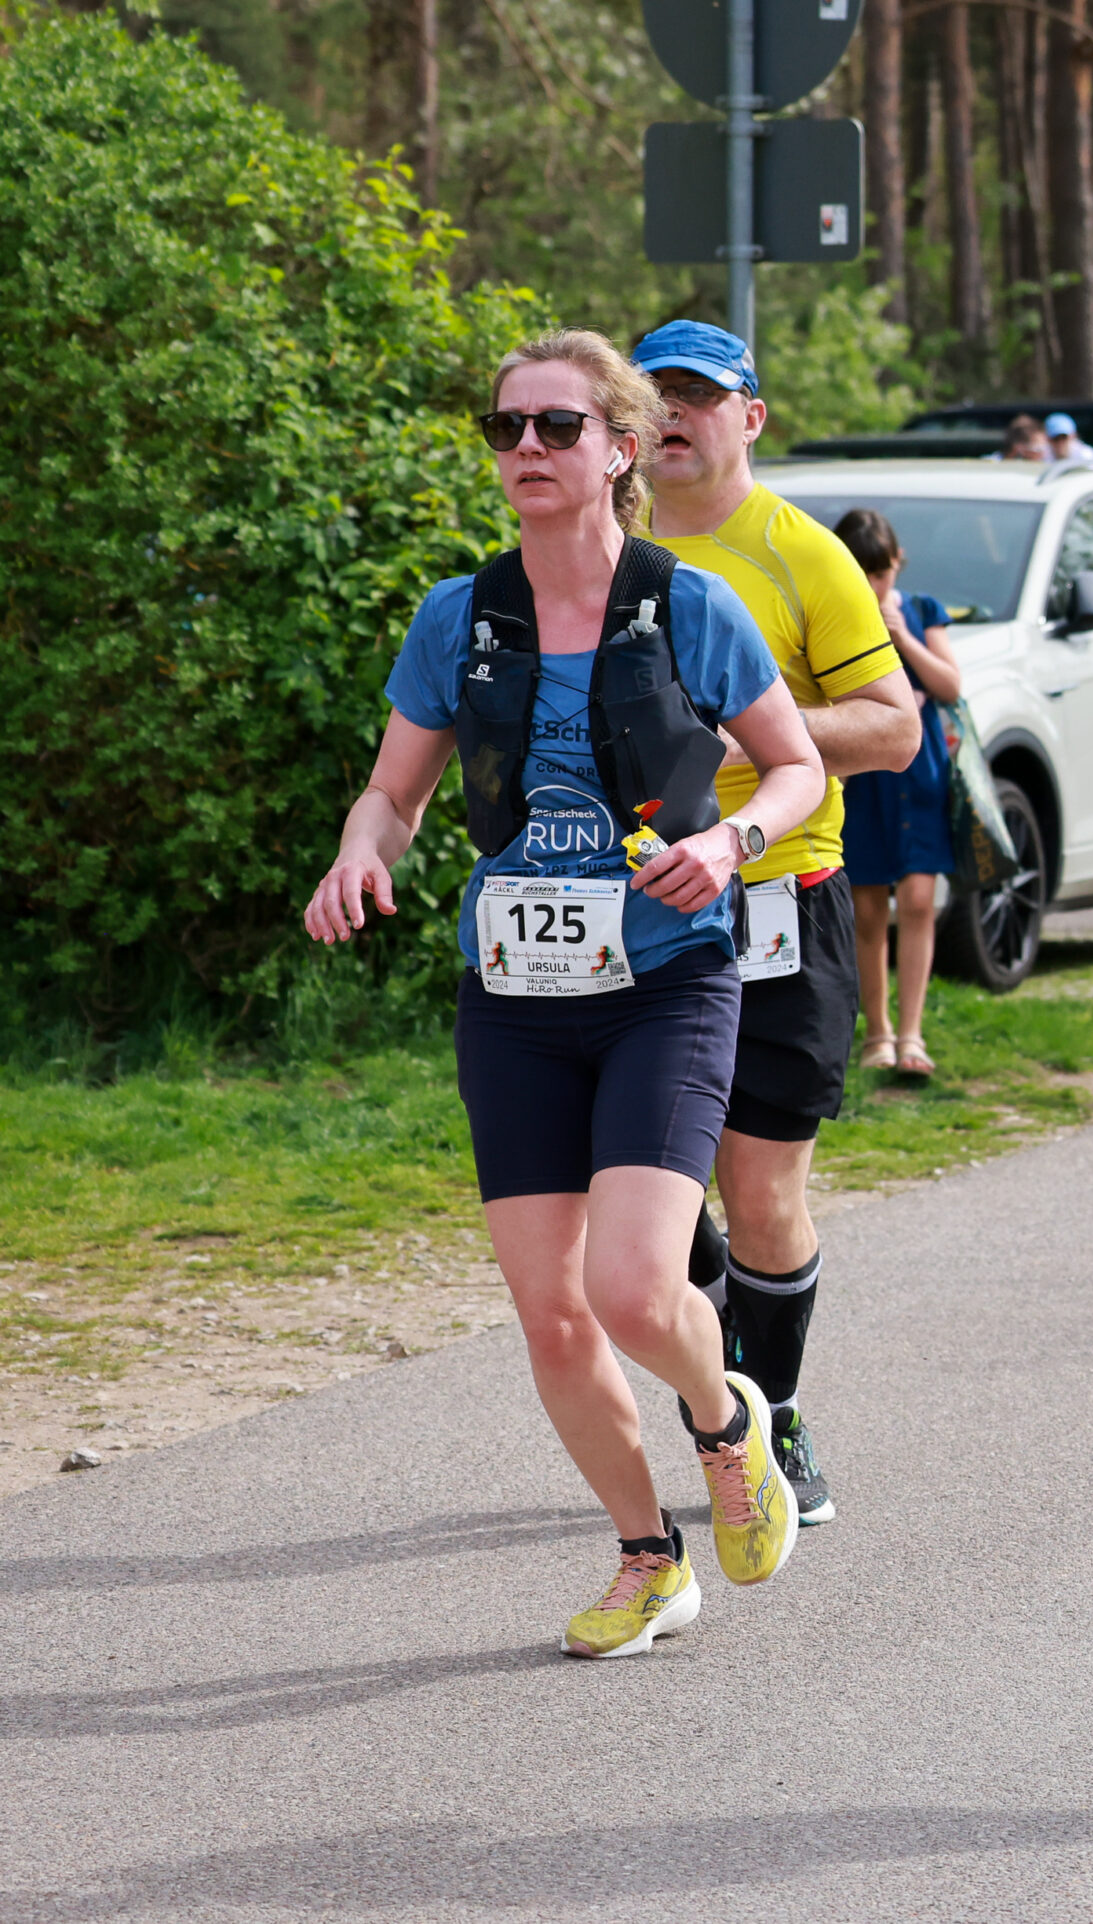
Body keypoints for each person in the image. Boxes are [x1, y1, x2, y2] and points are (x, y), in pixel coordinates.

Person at [304, 328, 827, 1656]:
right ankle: (649, 1559)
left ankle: (729, 1422)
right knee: (551, 1312)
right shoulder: (460, 617)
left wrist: (731, 844)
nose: (525, 448)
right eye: (506, 428)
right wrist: (361, 852)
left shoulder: (689, 606)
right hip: (515, 994)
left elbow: (797, 769)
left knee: (638, 1288)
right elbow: (396, 793)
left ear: (622, 448)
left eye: (555, 426)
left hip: (666, 983)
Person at [636, 319, 921, 1532]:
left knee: (759, 1194)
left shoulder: (802, 553)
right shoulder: (598, 548)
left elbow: (894, 726)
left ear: (749, 416)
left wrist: (745, 739)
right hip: (627, 901)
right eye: (652, 395)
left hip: (776, 897)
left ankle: (772, 1413)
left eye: (698, 396)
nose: (673, 415)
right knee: (639, 1193)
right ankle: (729, 1366)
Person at [833, 507, 965, 1078]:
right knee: (867, 909)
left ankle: (911, 1032)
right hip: (864, 778)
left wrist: (902, 636)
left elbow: (950, 685)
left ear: (898, 564)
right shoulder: (834, 615)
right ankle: (877, 1033)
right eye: (859, 573)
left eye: (881, 574)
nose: (872, 587)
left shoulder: (921, 610)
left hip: (919, 774)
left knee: (917, 900)